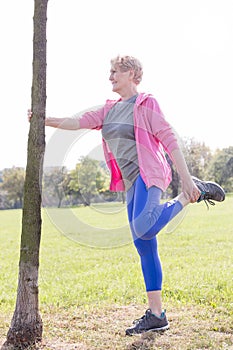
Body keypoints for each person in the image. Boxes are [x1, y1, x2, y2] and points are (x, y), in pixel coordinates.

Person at [28, 55, 225, 335]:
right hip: (132, 183)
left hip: (151, 173)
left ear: (131, 73)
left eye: (114, 72)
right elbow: (77, 121)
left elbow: (169, 139)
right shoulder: (108, 110)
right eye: (109, 72)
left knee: (144, 226)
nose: (110, 76)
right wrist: (44, 120)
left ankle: (193, 193)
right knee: (144, 244)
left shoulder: (146, 103)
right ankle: (157, 315)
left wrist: (185, 180)